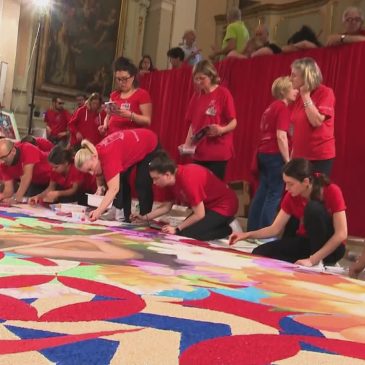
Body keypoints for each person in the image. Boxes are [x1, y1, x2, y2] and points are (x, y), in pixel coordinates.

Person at [230, 158, 347, 267]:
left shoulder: (331, 190)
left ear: (306, 181)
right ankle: (309, 260)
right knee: (260, 252)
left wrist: (313, 260)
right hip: (307, 243)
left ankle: (319, 263)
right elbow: (275, 229)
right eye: (285, 183)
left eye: (290, 184)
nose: (286, 188)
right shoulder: (291, 196)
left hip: (331, 248)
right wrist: (246, 235)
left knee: (313, 208)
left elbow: (341, 234)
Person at [132, 151, 238, 241]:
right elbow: (166, 207)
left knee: (185, 235)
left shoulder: (188, 178)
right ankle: (216, 224)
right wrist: (144, 218)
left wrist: (177, 228)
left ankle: (225, 229)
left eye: (156, 178)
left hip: (224, 205)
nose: (154, 182)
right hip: (206, 206)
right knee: (185, 230)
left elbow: (199, 214)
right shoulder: (169, 182)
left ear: (167, 174)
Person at [74, 128, 158, 222]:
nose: (92, 173)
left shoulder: (108, 157)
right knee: (120, 179)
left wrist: (98, 211)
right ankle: (126, 217)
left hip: (149, 143)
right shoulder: (95, 153)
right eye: (88, 171)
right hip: (132, 148)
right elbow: (100, 173)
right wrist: (100, 188)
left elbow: (114, 189)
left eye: (90, 169)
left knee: (141, 182)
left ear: (94, 157)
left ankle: (144, 218)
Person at [247, 77, 298, 231]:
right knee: (274, 194)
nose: (297, 91)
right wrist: (288, 160)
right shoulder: (282, 108)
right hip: (274, 155)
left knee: (263, 191)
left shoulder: (270, 108)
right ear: (284, 91)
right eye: (293, 88)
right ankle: (266, 233)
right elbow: (281, 135)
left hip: (263, 154)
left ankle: (253, 229)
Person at [181, 60, 237, 180]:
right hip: (199, 151)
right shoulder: (196, 96)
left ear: (211, 76)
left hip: (218, 151)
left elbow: (234, 122)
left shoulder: (223, 93)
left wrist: (221, 129)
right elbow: (192, 124)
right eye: (196, 79)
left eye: (202, 78)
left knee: (214, 188)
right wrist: (187, 145)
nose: (198, 82)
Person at [290, 57, 335, 175]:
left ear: (306, 77)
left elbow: (316, 121)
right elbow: (294, 127)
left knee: (315, 192)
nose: (290, 79)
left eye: (294, 75)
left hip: (318, 157)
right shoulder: (297, 97)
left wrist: (305, 95)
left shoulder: (325, 93)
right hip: (299, 157)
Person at [99, 57, 152, 135]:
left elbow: (147, 120)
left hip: (129, 138)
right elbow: (108, 116)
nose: (121, 82)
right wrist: (104, 126)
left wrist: (131, 115)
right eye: (118, 79)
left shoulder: (142, 94)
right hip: (112, 137)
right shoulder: (114, 95)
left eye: (125, 79)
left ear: (133, 77)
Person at [29, 145, 96, 204]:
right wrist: (38, 197)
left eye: (56, 167)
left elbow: (74, 190)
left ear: (66, 163)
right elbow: (50, 188)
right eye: (52, 167)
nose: (53, 169)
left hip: (85, 192)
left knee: (66, 199)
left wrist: (58, 193)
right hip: (68, 192)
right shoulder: (55, 171)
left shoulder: (75, 168)